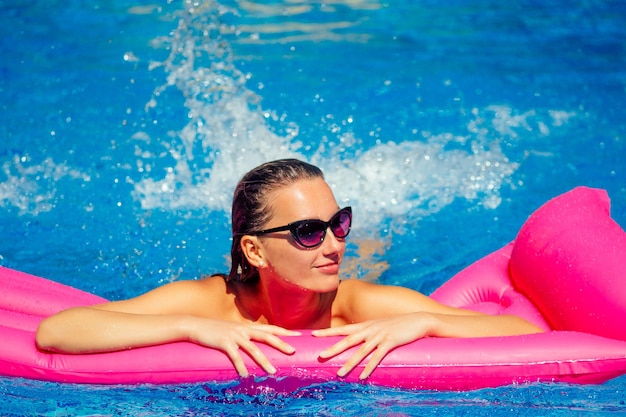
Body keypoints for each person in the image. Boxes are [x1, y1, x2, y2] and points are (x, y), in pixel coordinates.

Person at [36, 158, 542, 379]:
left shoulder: (358, 306)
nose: (333, 245)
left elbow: (524, 334)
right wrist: (191, 329)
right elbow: (60, 330)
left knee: (373, 260)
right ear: (254, 252)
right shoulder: (212, 303)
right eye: (307, 232)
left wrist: (430, 321)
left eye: (339, 223)